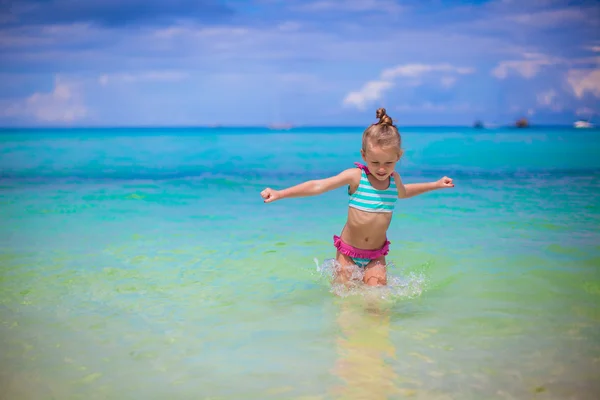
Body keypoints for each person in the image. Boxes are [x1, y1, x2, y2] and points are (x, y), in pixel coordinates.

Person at [260, 108, 455, 287]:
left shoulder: (394, 181)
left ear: (398, 157)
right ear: (363, 156)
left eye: (388, 162)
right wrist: (280, 193)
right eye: (375, 162)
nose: (381, 168)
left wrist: (435, 184)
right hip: (348, 254)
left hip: (376, 256)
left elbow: (405, 192)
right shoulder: (357, 177)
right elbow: (318, 185)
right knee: (346, 302)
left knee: (377, 302)